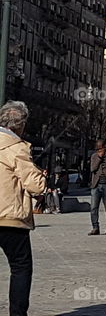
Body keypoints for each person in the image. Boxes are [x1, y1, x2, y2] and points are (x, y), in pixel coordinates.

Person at [0, 101, 46, 316]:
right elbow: (35, 186)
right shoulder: (16, 148)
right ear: (21, 125)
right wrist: (41, 176)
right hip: (10, 218)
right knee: (20, 267)